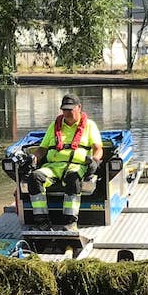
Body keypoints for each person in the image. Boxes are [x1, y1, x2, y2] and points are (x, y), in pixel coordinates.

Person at [27, 93, 103, 232]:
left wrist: (95, 161)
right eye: (64, 110)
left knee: (73, 178)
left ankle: (70, 222)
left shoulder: (90, 126)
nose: (67, 113)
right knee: (34, 177)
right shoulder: (54, 126)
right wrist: (33, 158)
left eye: (70, 109)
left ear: (79, 108)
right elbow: (42, 149)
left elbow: (98, 149)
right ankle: (42, 222)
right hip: (53, 167)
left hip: (76, 166)